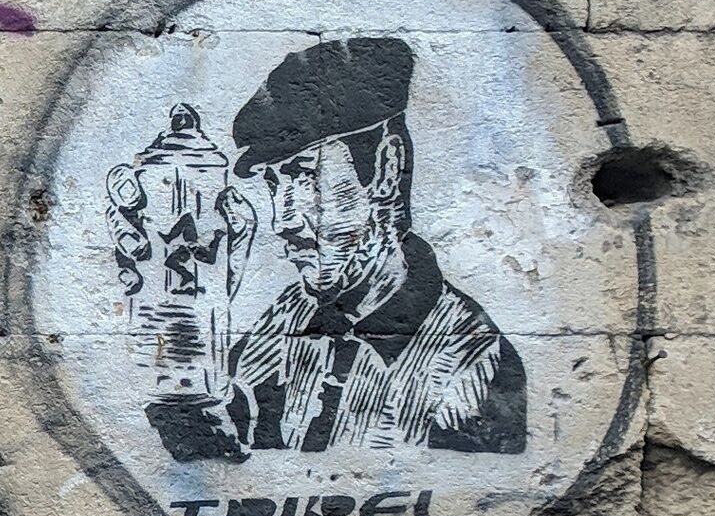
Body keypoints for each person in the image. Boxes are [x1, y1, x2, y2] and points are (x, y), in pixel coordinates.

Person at [149, 36, 527, 463]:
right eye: (274, 186)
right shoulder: (283, 322)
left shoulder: (469, 364)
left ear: (386, 167)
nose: (283, 220)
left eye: (304, 177)